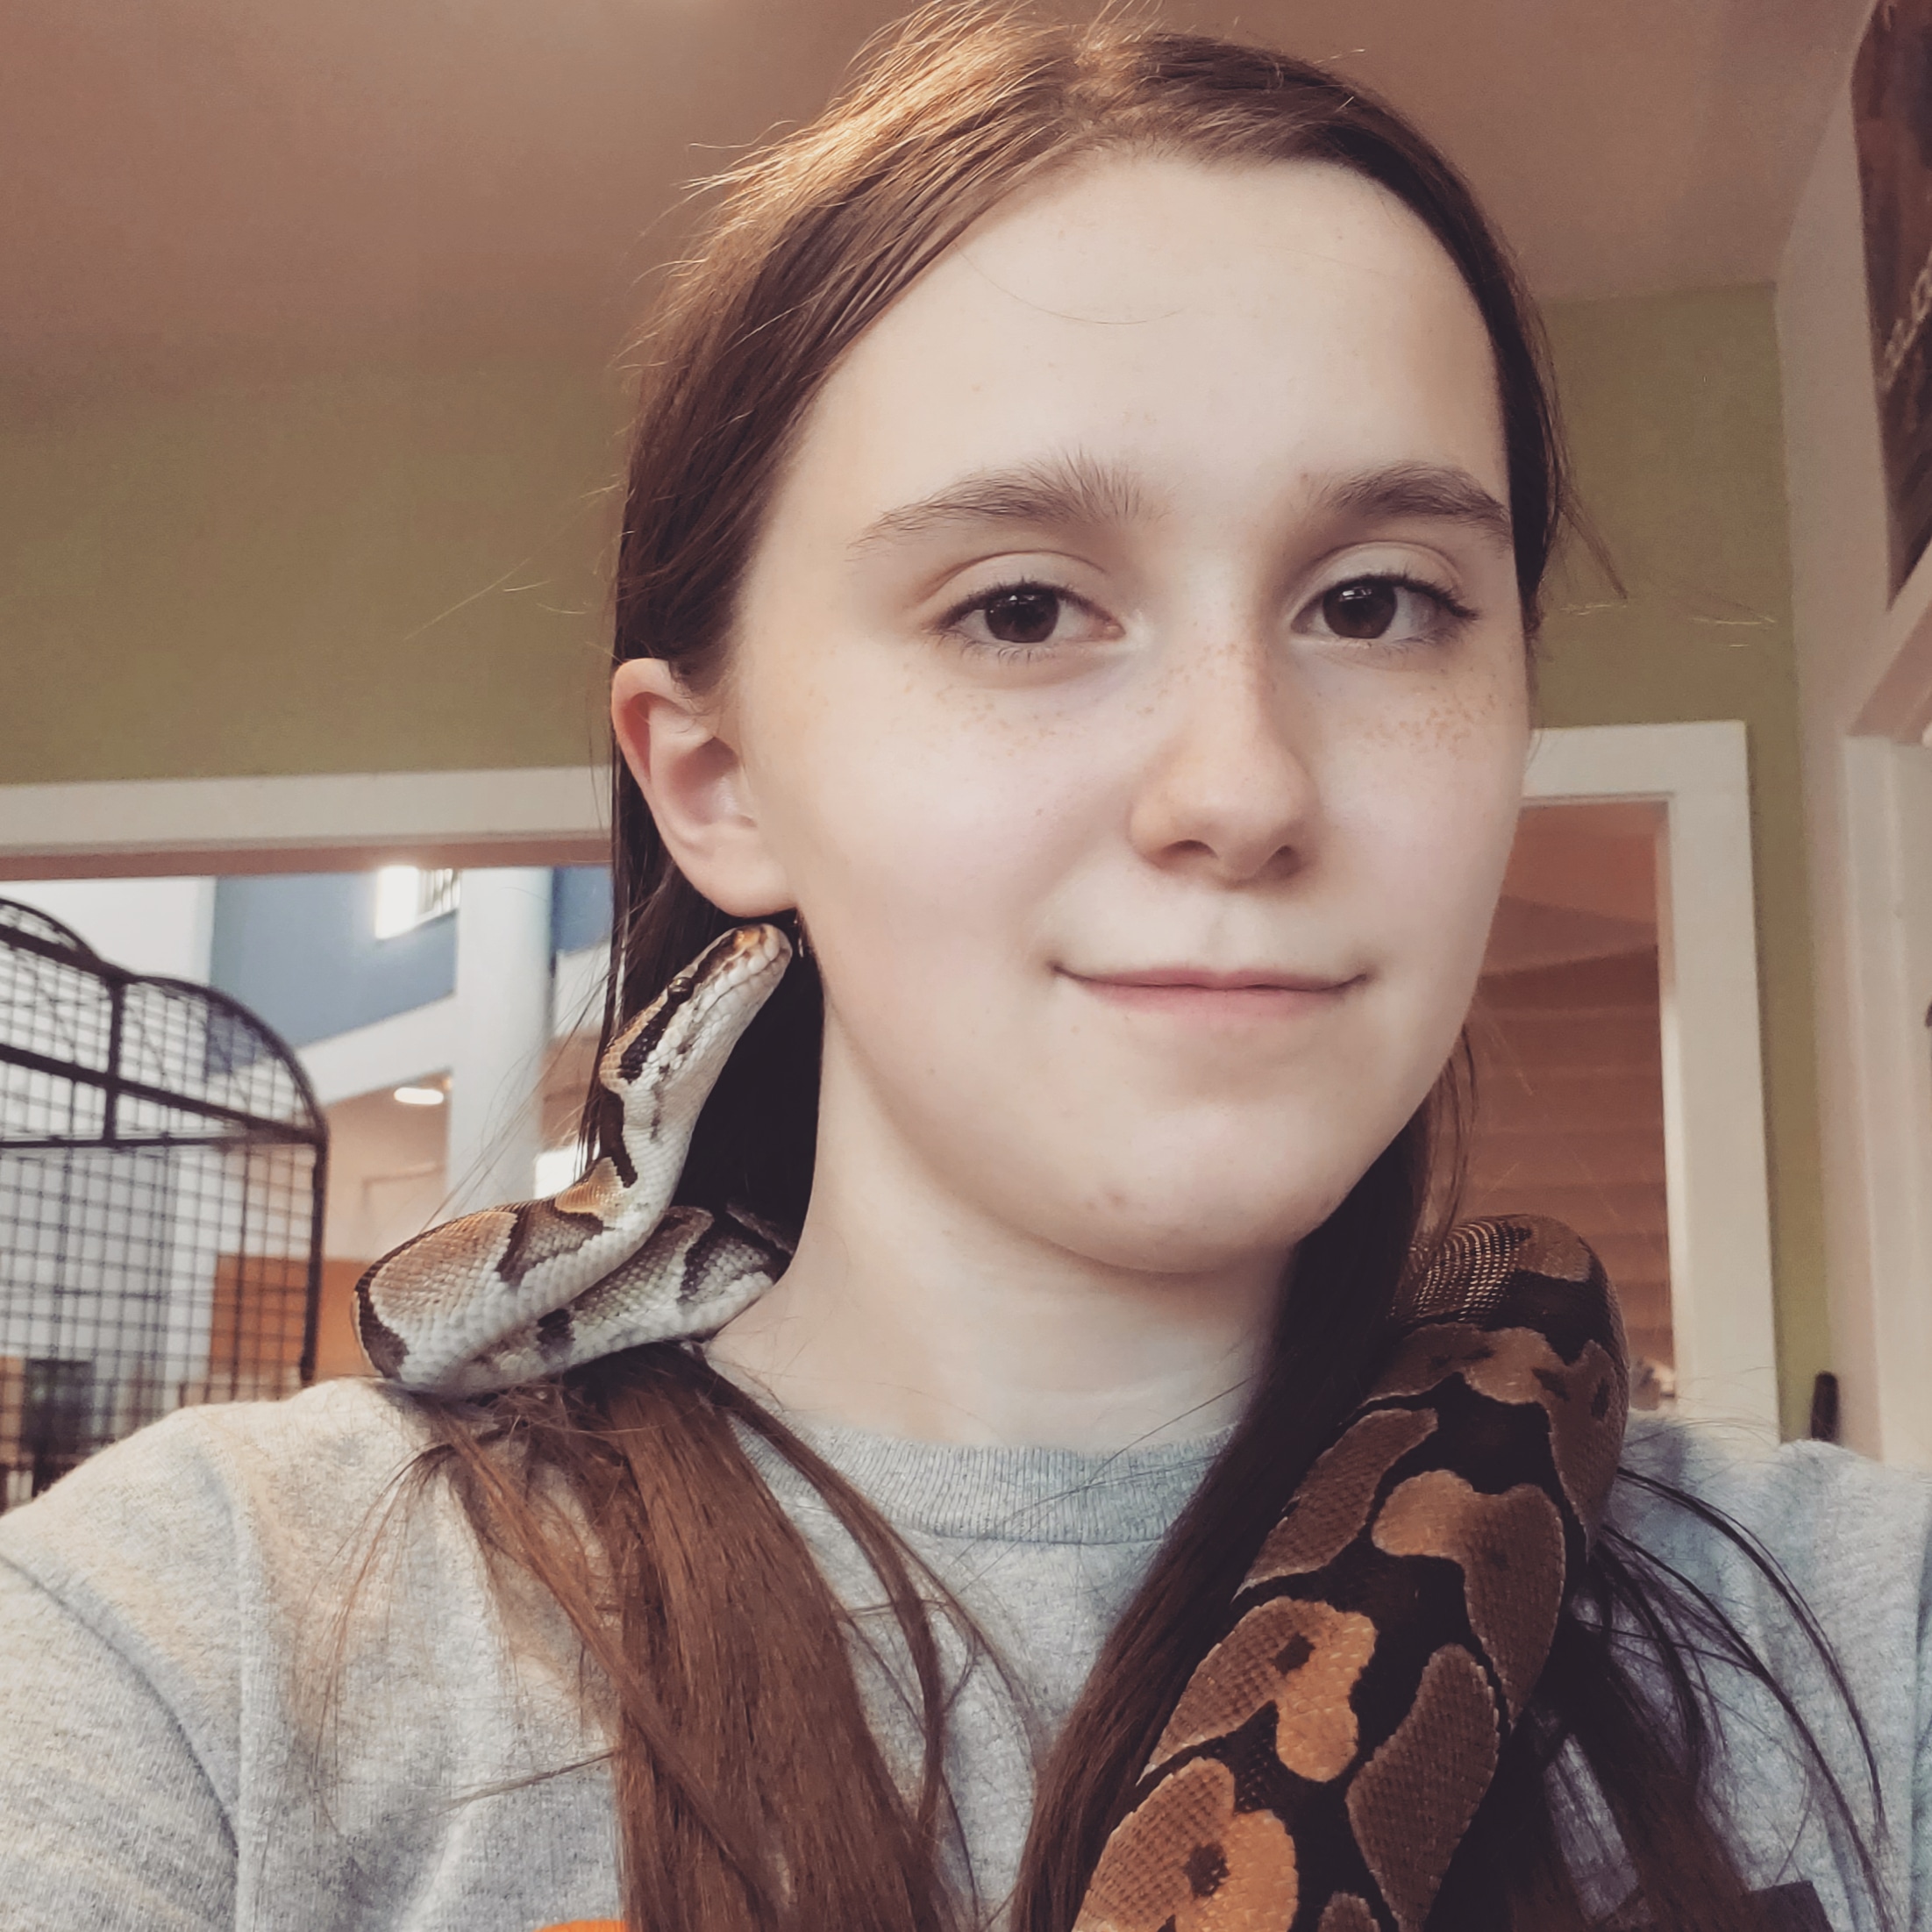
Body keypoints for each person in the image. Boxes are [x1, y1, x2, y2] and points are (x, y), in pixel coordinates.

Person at [1, 9, 1926, 1930]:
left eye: (1378, 600)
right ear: (719, 780)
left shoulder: (1861, 1633)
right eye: (1019, 606)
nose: (1241, 787)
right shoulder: (190, 1646)